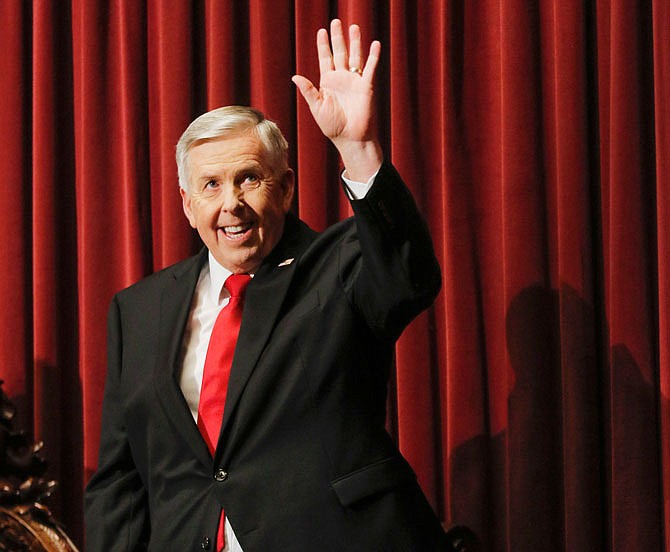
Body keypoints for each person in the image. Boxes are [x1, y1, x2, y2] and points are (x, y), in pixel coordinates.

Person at [85, 19, 448, 551]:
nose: (230, 203)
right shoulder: (138, 310)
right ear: (188, 206)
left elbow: (408, 277)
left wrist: (359, 148)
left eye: (248, 178)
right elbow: (120, 481)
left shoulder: (338, 265)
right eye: (210, 185)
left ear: (285, 188)